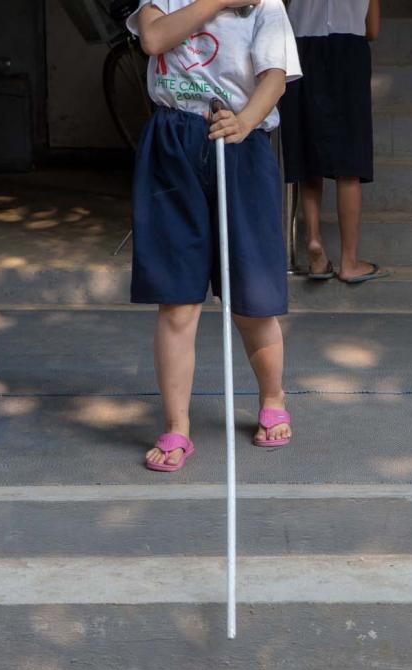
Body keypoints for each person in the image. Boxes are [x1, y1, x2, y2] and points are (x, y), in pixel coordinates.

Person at [126, 0, 301, 472]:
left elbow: (275, 78)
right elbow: (154, 40)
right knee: (176, 300)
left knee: (251, 300)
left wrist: (244, 122)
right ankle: (177, 426)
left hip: (241, 144)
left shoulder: (267, 6)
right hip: (172, 143)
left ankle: (272, 395)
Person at [280, 0, 389, 283]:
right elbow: (373, 29)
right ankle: (349, 261)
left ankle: (314, 244)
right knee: (349, 160)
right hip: (347, 52)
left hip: (300, 49)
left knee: (308, 150)